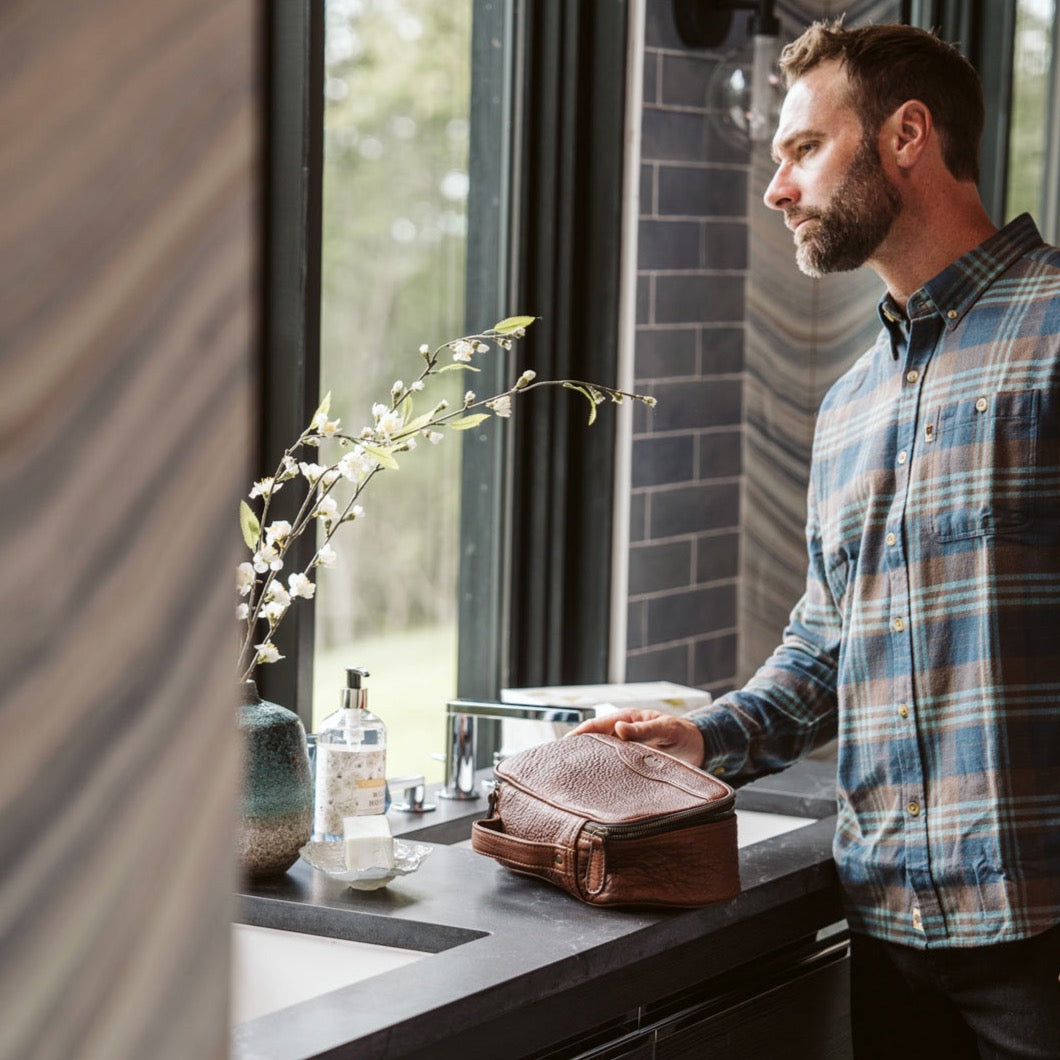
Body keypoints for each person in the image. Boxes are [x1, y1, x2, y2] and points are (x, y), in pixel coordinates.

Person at [573, 19, 1060, 1059]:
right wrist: (698, 738)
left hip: (1043, 936)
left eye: (802, 149)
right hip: (887, 933)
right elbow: (820, 654)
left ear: (905, 135)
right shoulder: (848, 406)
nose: (776, 190)